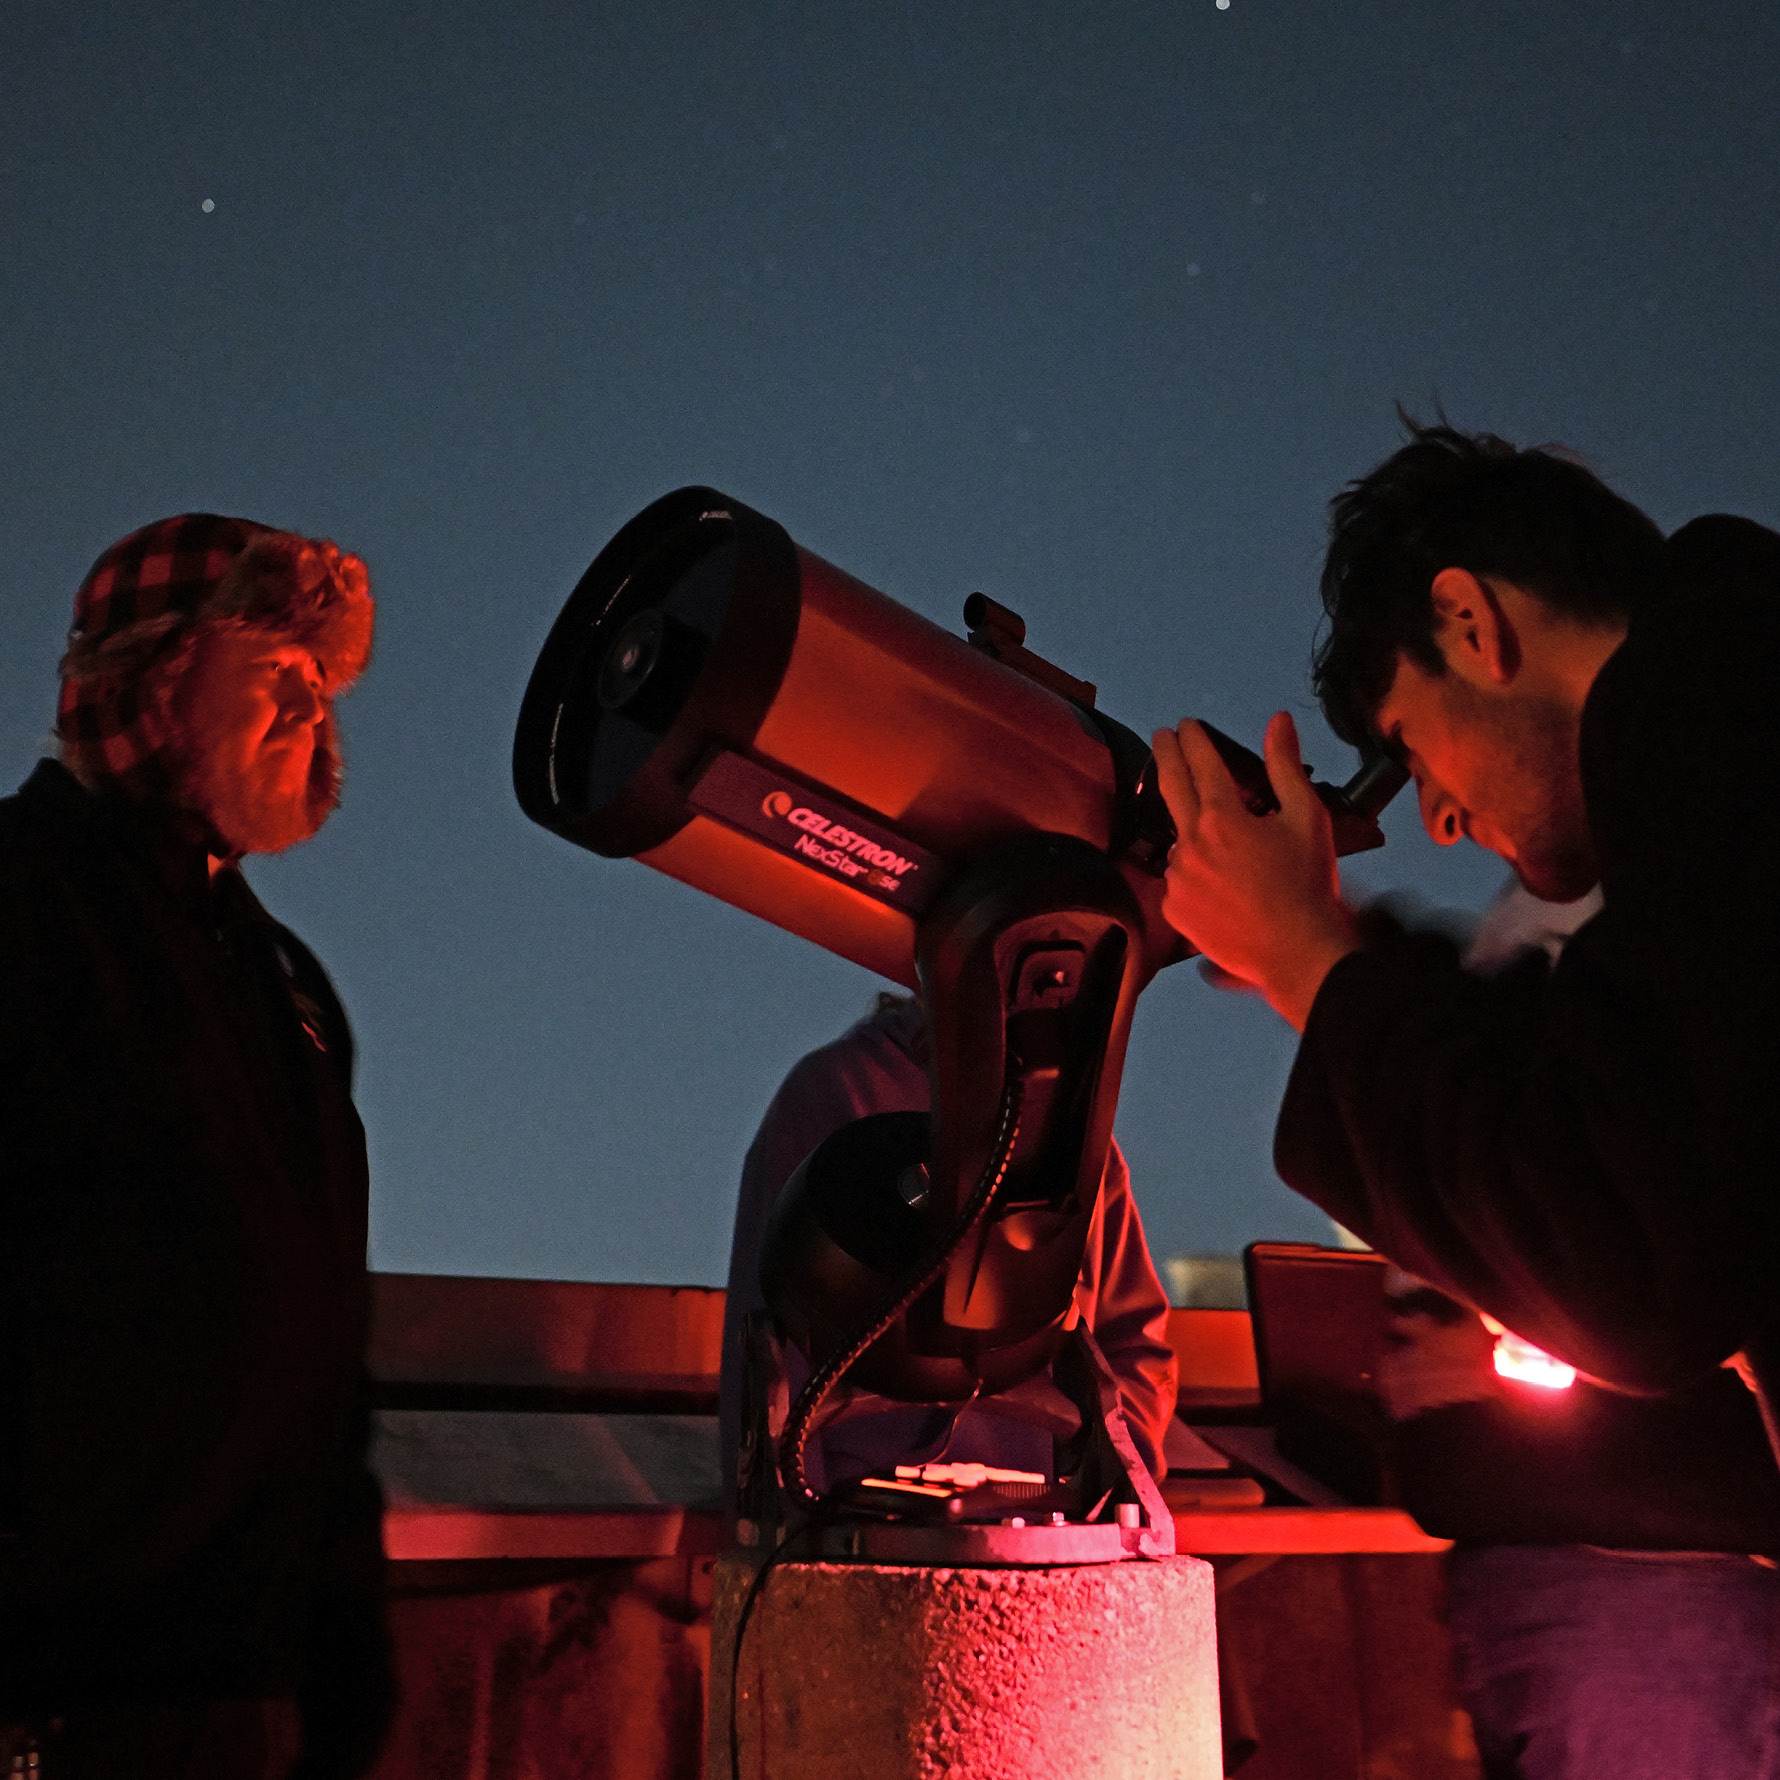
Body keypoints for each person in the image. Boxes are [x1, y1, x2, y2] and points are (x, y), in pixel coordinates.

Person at [1150, 421, 1780, 1435]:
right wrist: (1334, 955)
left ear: (1468, 621)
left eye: (1408, 742)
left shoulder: (1710, 711)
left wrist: (1305, 961)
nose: (1437, 821)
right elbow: (1623, 1096)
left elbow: (1625, 1262)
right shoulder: (1729, 715)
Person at [0, 516, 389, 1779]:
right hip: (57, 1698)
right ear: (155, 677)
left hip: (249, 1696)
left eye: (322, 685)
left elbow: (327, 1350)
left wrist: (343, 1673)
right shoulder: (21, 900)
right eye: (276, 669)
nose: (311, 710)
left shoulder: (289, 988)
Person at [1379, 881, 1780, 1780]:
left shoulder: (1683, 909)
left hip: (1663, 1584)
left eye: (1408, 738)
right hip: (1599, 1574)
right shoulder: (1574, 921)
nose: (1437, 816)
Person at [719, 993, 1177, 1499]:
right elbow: (769, 1346)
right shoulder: (830, 1093)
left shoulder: (1073, 1131)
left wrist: (1105, 1487)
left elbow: (1132, 1346)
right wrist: (802, 1533)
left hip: (1049, 1512)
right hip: (861, 1514)